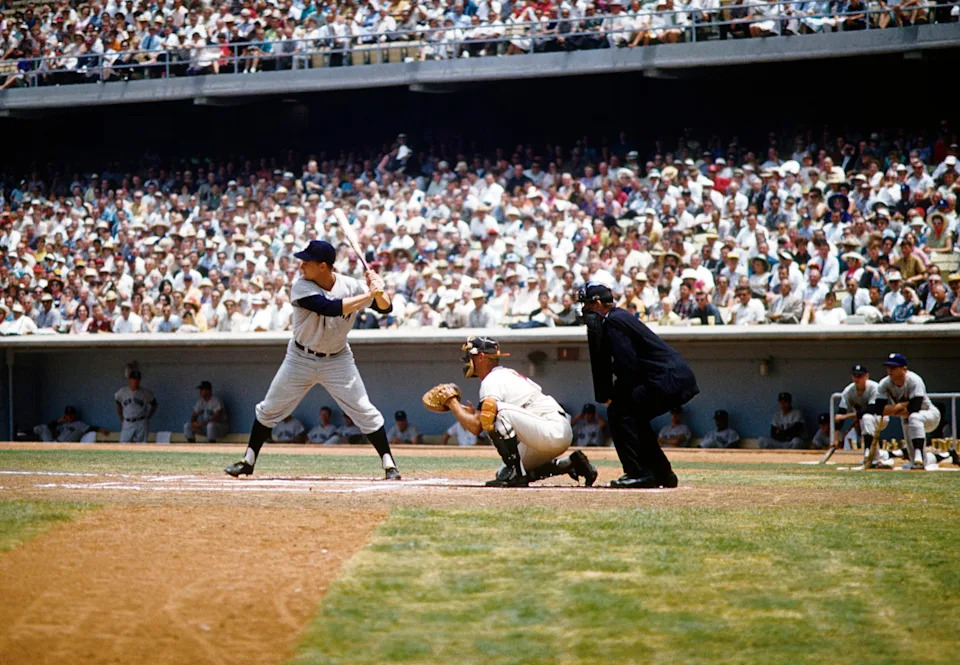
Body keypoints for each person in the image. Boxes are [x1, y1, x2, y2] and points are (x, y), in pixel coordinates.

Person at [224, 240, 401, 479]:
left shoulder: (351, 285)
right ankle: (248, 461)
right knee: (268, 409)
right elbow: (329, 307)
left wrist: (381, 292)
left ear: (323, 266)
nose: (301, 265)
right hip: (300, 358)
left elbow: (385, 309)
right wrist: (369, 293)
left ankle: (389, 464)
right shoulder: (301, 287)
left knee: (364, 410)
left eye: (307, 261)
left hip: (338, 359)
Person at [580, 283, 699, 488]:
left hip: (665, 378)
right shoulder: (621, 316)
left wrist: (613, 393)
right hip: (675, 377)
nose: (584, 310)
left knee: (620, 412)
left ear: (598, 304)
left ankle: (638, 472)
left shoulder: (613, 321)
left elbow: (628, 365)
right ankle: (661, 473)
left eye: (587, 305)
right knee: (635, 417)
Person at [442, 336, 598, 487]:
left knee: (497, 412)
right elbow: (480, 419)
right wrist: (460, 408)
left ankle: (516, 474)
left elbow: (477, 425)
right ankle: (570, 463)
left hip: (551, 428)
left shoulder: (492, 379)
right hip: (549, 430)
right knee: (503, 472)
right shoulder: (503, 374)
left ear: (481, 357)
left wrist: (452, 403)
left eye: (471, 356)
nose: (467, 360)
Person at [862, 353, 941, 470]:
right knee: (916, 460)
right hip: (906, 418)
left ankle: (919, 453)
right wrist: (900, 406)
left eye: (893, 367)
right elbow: (879, 409)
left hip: (930, 415)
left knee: (914, 416)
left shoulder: (914, 380)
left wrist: (894, 409)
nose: (890, 370)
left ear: (904, 369)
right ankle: (944, 455)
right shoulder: (885, 383)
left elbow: (915, 407)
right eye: (888, 367)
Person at [831, 364, 890, 469]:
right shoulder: (848, 391)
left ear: (866, 376)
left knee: (866, 417)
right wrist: (836, 439)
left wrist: (847, 416)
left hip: (881, 417)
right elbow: (841, 413)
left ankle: (867, 452)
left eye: (860, 376)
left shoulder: (874, 387)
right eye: (855, 375)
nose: (857, 378)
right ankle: (879, 457)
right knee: (865, 421)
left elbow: (871, 409)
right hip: (865, 420)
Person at [114, 369, 157, 443]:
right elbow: (117, 403)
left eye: (137, 379)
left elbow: (154, 405)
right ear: (129, 380)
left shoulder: (146, 393)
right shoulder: (122, 392)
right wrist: (121, 418)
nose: (135, 381)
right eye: (133, 379)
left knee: (141, 446)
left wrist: (148, 417)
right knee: (123, 444)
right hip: (128, 421)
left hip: (141, 421)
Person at [33, 406, 104, 443]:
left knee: (43, 427)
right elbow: (49, 427)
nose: (69, 416)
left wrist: (101, 430)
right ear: (65, 415)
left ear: (75, 415)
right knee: (43, 427)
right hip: (52, 443)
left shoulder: (79, 424)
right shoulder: (63, 424)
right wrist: (58, 421)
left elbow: (90, 428)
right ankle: (23, 433)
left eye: (71, 414)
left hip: (62, 446)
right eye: (67, 415)